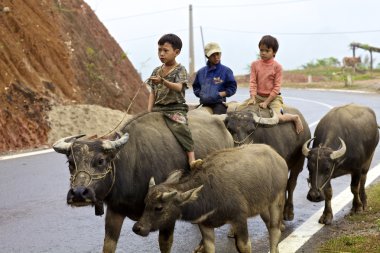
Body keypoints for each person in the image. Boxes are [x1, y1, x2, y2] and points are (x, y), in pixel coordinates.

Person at [147, 33, 199, 167]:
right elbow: (152, 92)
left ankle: (191, 158)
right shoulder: (156, 71)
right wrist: (148, 111)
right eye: (159, 50)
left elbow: (178, 87)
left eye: (165, 50)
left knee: (181, 128)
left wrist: (163, 81)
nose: (161, 54)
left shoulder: (180, 70)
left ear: (176, 52)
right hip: (158, 108)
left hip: (174, 108)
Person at [248, 35, 304, 134]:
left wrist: (266, 102)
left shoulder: (277, 67)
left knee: (277, 118)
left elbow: (276, 88)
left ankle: (294, 118)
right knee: (239, 112)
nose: (263, 53)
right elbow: (253, 82)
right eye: (261, 50)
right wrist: (252, 97)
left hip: (273, 98)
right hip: (257, 97)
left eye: (267, 50)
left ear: (274, 52)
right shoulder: (254, 65)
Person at [192, 42, 237, 114]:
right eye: (213, 55)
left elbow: (232, 88)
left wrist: (221, 94)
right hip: (204, 104)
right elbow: (196, 87)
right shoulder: (201, 72)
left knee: (217, 120)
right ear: (207, 56)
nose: (216, 57)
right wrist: (201, 94)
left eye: (218, 54)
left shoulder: (226, 71)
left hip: (219, 104)